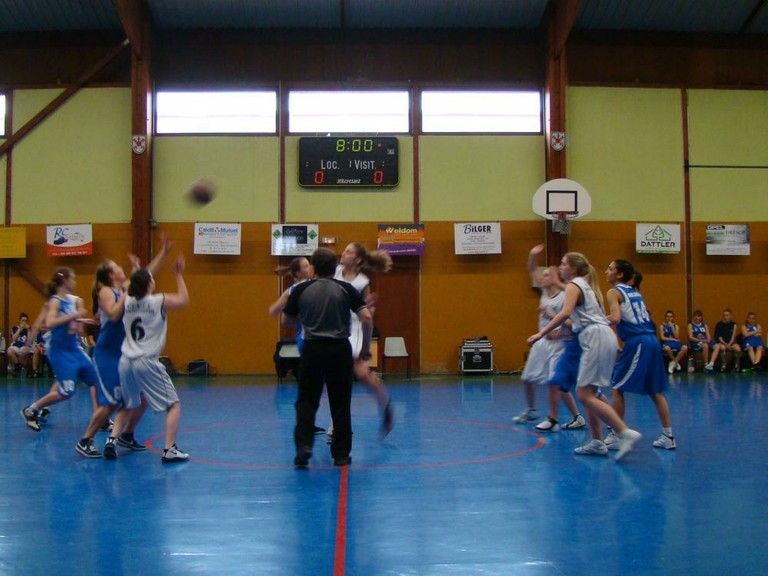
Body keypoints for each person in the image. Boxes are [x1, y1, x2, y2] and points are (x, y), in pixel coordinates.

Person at [527, 252, 641, 461]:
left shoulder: (574, 285)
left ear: (572, 268)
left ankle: (624, 432)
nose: (560, 267)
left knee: (584, 394)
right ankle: (597, 441)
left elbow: (564, 313)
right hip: (601, 336)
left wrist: (540, 334)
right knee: (591, 392)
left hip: (595, 336)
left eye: (563, 263)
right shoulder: (583, 285)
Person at [282, 247, 373, 468]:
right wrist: (365, 348)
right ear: (335, 268)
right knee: (340, 402)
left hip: (312, 349)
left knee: (306, 400)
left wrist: (307, 317)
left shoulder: (301, 289)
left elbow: (286, 321)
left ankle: (304, 446)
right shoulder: (346, 288)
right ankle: (340, 454)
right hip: (339, 350)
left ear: (313, 268)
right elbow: (366, 317)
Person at [108, 254, 190, 463]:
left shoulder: (127, 301)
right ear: (149, 285)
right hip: (146, 360)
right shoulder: (157, 301)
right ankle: (169, 449)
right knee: (173, 405)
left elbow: (133, 283)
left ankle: (112, 440)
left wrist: (136, 268)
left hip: (126, 361)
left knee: (129, 404)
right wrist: (178, 274)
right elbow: (183, 300)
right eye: (151, 279)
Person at [95, 240, 173, 459]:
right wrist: (129, 292)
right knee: (116, 402)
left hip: (126, 349)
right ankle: (88, 439)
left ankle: (125, 435)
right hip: (110, 350)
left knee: (137, 399)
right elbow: (113, 314)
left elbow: (146, 276)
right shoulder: (107, 291)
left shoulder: (127, 289)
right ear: (111, 275)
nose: (121, 268)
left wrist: (163, 253)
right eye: (116, 267)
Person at [20, 268, 105, 458]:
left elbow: (70, 325)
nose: (75, 282)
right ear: (65, 280)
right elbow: (50, 323)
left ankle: (91, 435)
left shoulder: (70, 301)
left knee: (97, 383)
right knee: (67, 391)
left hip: (75, 349)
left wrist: (82, 321)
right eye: (72, 278)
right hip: (59, 352)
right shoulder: (55, 301)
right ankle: (31, 409)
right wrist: (75, 316)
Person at [605, 261, 675, 450]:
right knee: (655, 391)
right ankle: (668, 436)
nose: (606, 271)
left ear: (620, 274)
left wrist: (592, 321)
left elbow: (615, 318)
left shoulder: (613, 292)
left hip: (638, 342)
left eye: (610, 269)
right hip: (652, 341)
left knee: (616, 387)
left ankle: (617, 434)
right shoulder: (635, 292)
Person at [514, 244, 585, 431]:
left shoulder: (565, 295)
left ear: (556, 277)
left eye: (547, 275)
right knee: (528, 377)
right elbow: (531, 270)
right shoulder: (545, 292)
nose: (542, 277)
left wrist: (556, 326)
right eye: (543, 275)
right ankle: (531, 410)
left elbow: (572, 322)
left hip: (559, 344)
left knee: (557, 383)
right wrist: (532, 254)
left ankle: (576, 416)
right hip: (542, 342)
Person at [330, 242, 393, 439]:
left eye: (348, 251)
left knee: (358, 374)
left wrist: (370, 307)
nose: (343, 253)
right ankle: (338, 423)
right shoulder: (335, 272)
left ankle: (385, 407)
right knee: (347, 376)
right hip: (336, 327)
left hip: (355, 329)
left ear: (357, 259)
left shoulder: (362, 281)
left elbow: (368, 313)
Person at [268, 256, 325, 435]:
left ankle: (309, 420)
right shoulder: (293, 290)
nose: (310, 267)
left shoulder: (314, 285)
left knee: (315, 383)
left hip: (316, 338)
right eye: (306, 266)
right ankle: (306, 422)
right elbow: (273, 311)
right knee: (312, 384)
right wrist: (300, 316)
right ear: (298, 272)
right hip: (306, 338)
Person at [709, 308, 742, 372]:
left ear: (730, 316)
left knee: (738, 349)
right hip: (722, 342)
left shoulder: (734, 325)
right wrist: (726, 344)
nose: (725, 317)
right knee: (723, 348)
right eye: (724, 315)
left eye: (727, 315)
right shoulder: (719, 324)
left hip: (731, 343)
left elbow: (733, 336)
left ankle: (736, 365)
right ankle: (723, 365)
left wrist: (729, 344)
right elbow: (719, 338)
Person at [658, 310, 689, 375]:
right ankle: (675, 362)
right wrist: (672, 339)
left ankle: (673, 363)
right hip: (666, 342)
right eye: (667, 316)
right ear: (665, 317)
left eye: (671, 316)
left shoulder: (676, 326)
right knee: (667, 348)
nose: (669, 318)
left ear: (673, 318)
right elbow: (662, 337)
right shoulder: (662, 326)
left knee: (685, 347)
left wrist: (672, 326)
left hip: (675, 343)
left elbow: (677, 336)